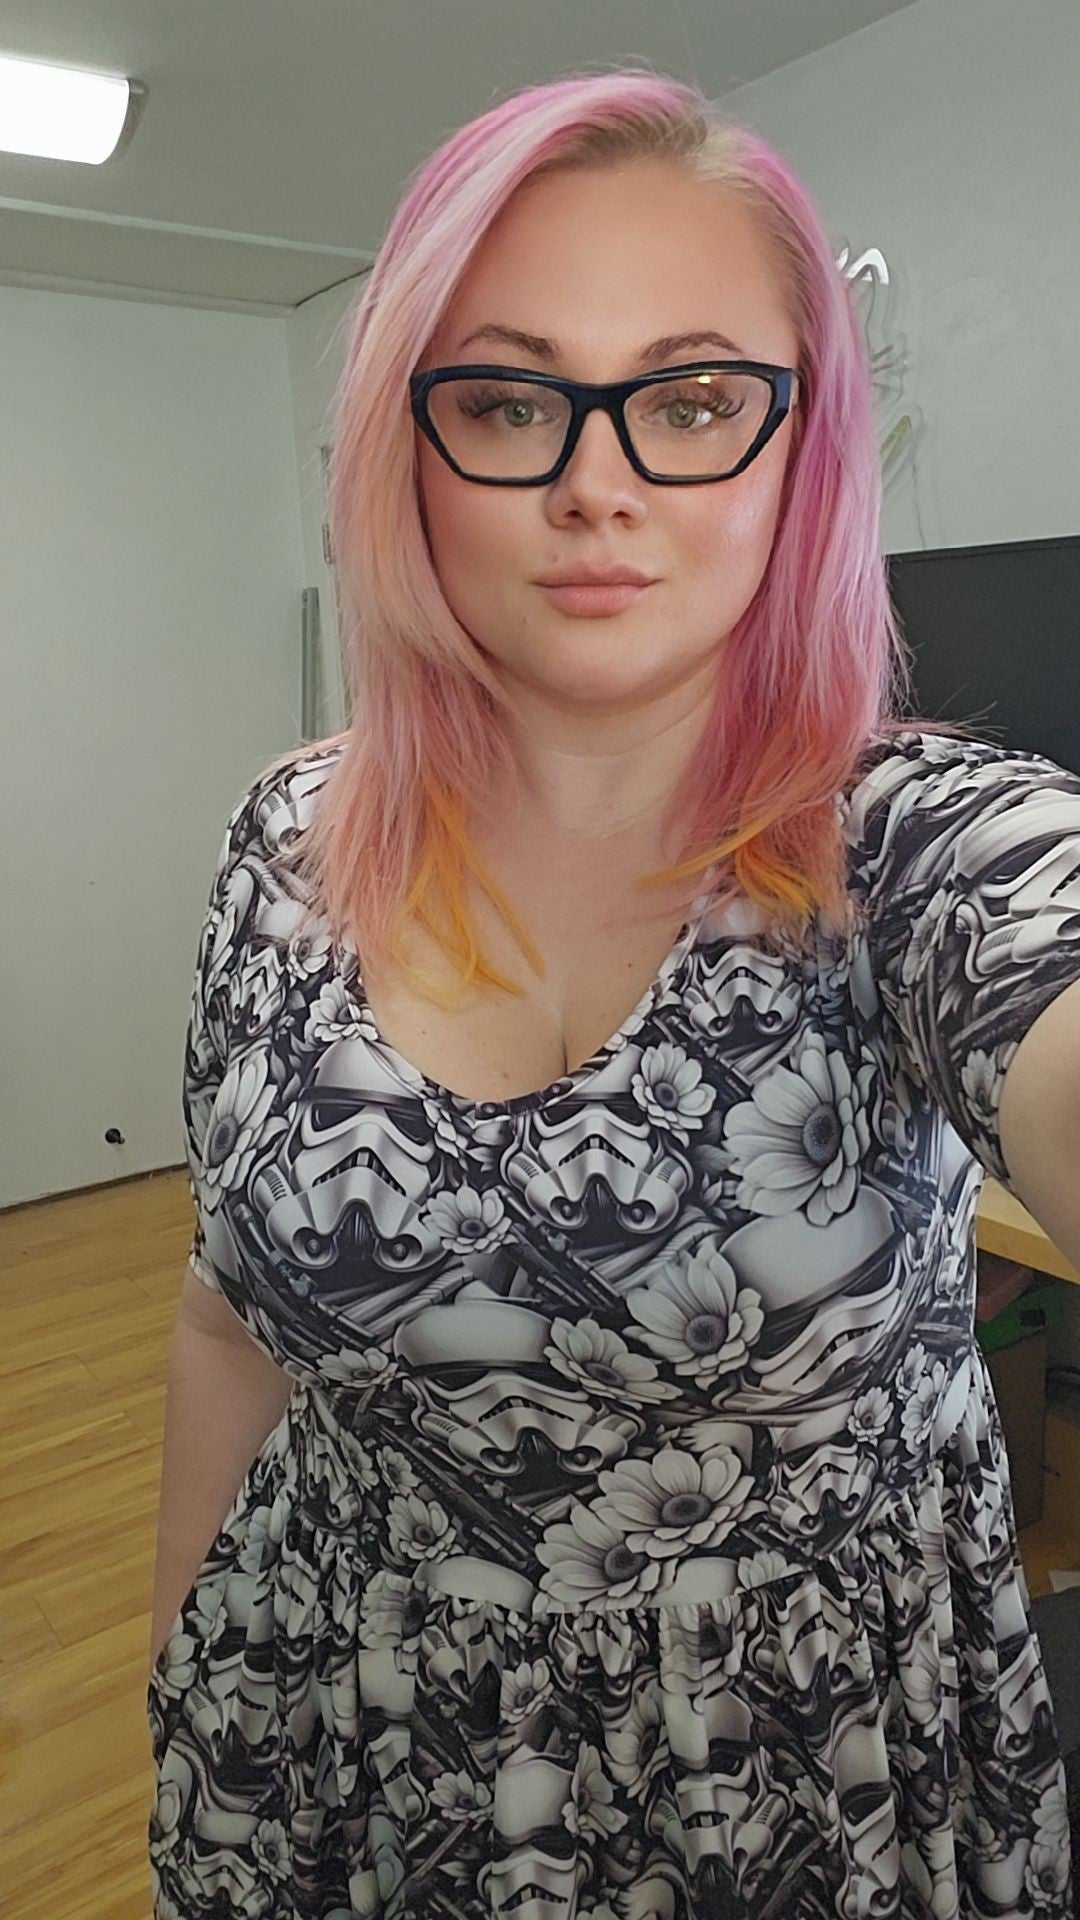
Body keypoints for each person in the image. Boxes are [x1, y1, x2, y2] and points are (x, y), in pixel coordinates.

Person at [146, 67, 1080, 1920]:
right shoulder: (286, 843)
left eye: (695, 399)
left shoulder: (927, 845)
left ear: (803, 450)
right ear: (404, 448)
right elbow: (230, 1320)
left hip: (808, 1800)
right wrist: (183, 1691)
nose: (598, 484)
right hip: (337, 1759)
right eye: (509, 400)